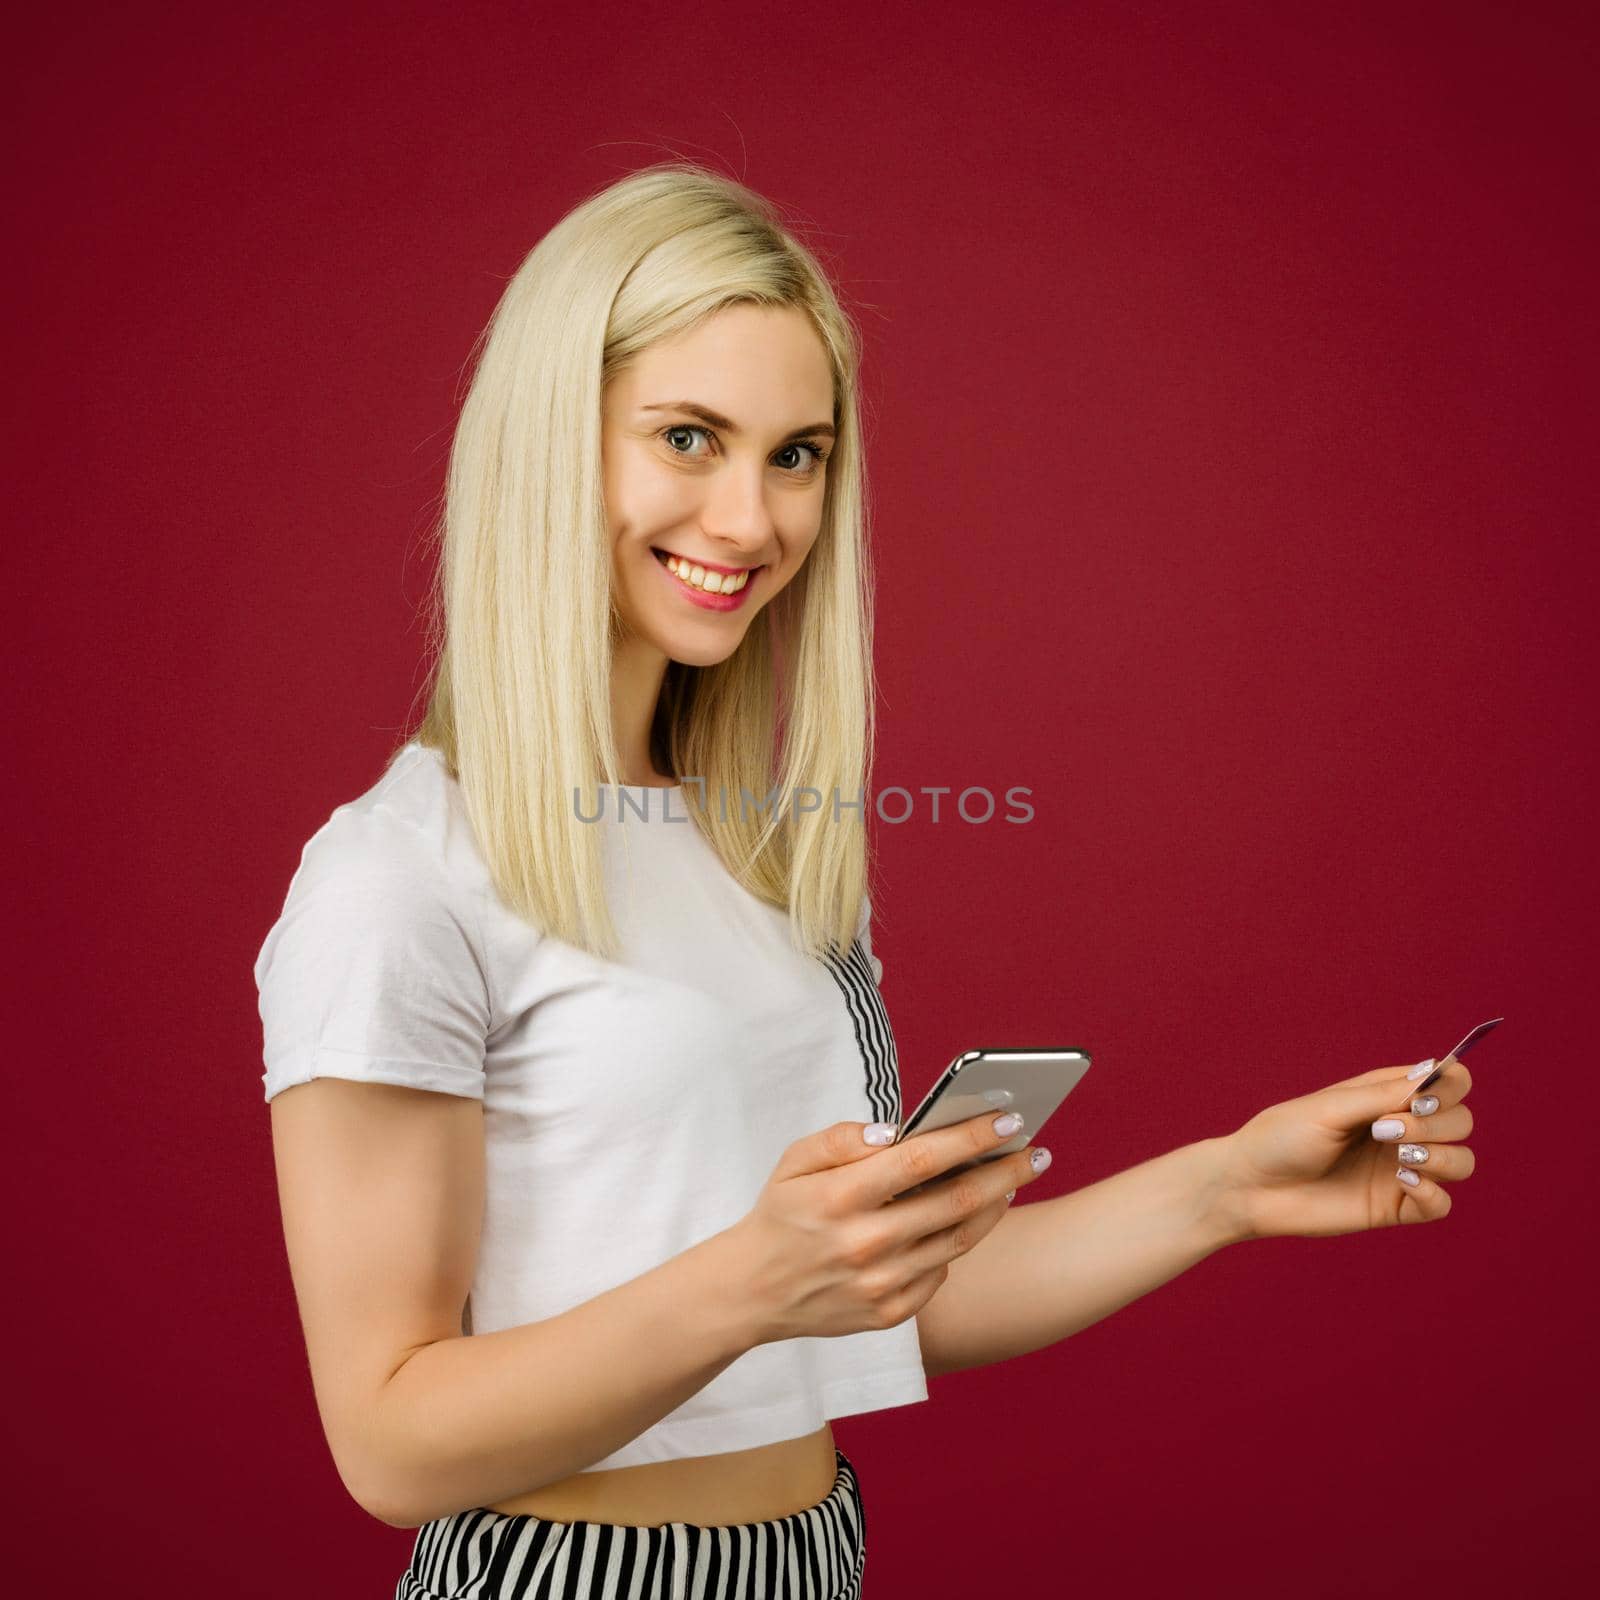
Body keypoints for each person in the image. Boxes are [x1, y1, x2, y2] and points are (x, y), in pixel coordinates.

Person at [255, 163, 1478, 1600]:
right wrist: (755, 1277)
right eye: (688, 437)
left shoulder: (763, 853)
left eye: (797, 454)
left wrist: (1228, 1188)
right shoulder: (395, 876)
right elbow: (391, 1445)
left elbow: (880, 1298)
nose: (753, 520)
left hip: (813, 1553)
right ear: (548, 441)